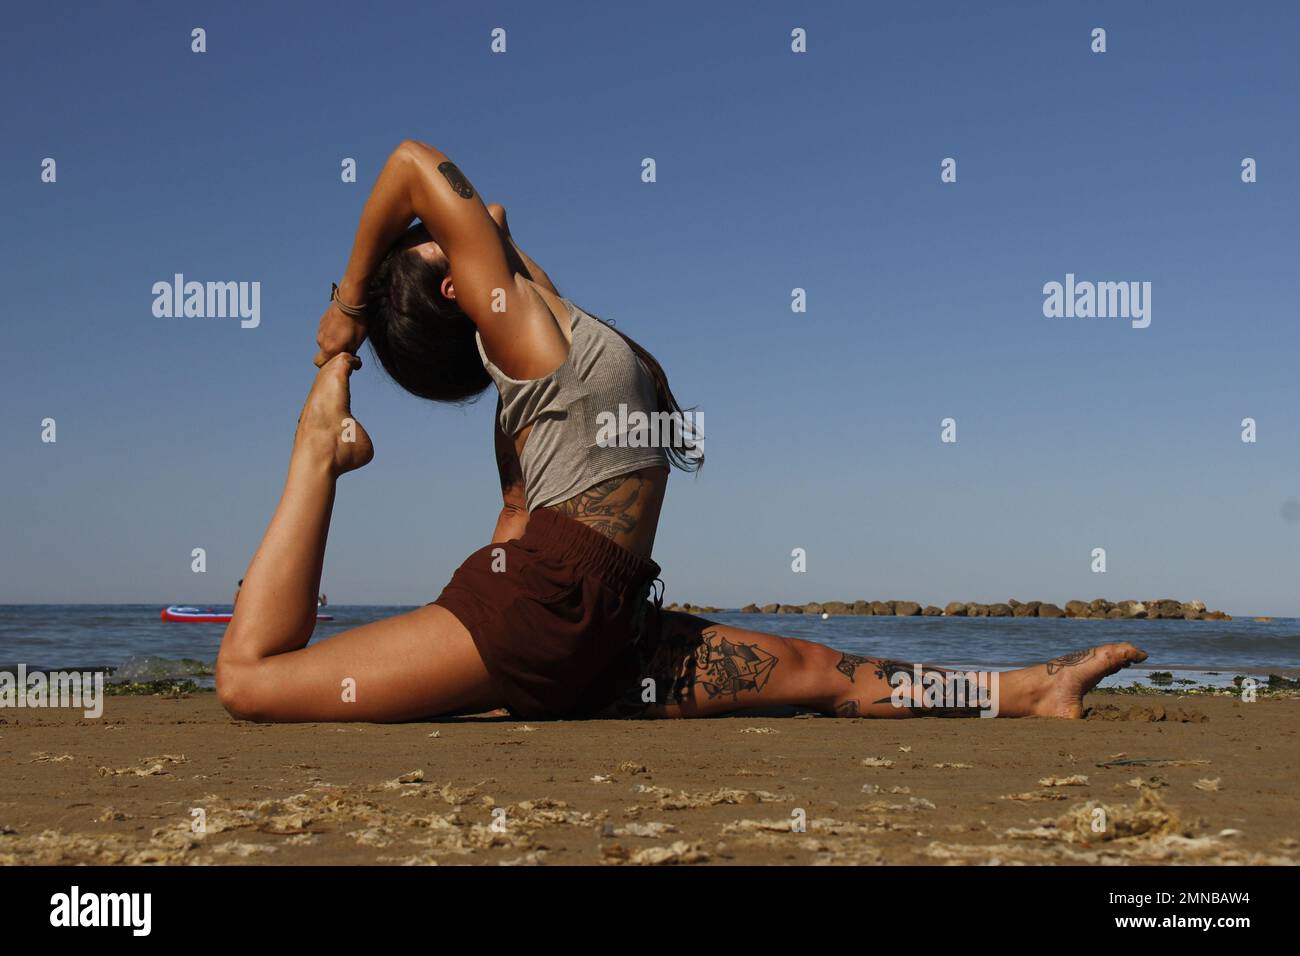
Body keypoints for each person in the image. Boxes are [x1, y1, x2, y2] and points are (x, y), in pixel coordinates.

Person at [215, 140, 1145, 723]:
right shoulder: (524, 332)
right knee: (249, 683)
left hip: (598, 620)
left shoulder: (544, 333)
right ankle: (319, 450)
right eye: (440, 240)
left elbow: (511, 513)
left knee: (820, 671)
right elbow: (413, 162)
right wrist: (345, 319)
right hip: (539, 616)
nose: (462, 221)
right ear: (463, 292)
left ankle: (1031, 690)